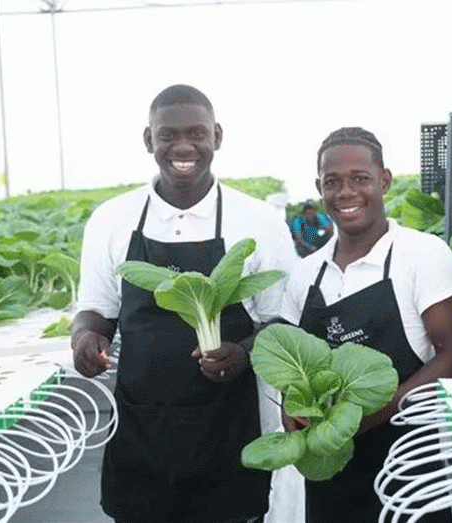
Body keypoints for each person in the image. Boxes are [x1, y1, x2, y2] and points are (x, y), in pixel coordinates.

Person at [71, 84, 296, 523]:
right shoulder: (112, 219)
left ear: (217, 136)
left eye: (196, 133)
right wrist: (85, 337)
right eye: (168, 135)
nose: (183, 146)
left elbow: (281, 321)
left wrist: (243, 353)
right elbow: (96, 308)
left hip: (228, 428)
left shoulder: (257, 221)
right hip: (140, 428)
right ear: (148, 141)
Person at [279, 127, 452, 523]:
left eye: (360, 179)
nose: (345, 192)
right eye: (332, 182)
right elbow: (288, 362)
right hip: (330, 469)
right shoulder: (306, 275)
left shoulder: (422, 255)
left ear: (383, 180)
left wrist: (365, 419)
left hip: (410, 463)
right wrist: (292, 408)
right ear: (319, 187)